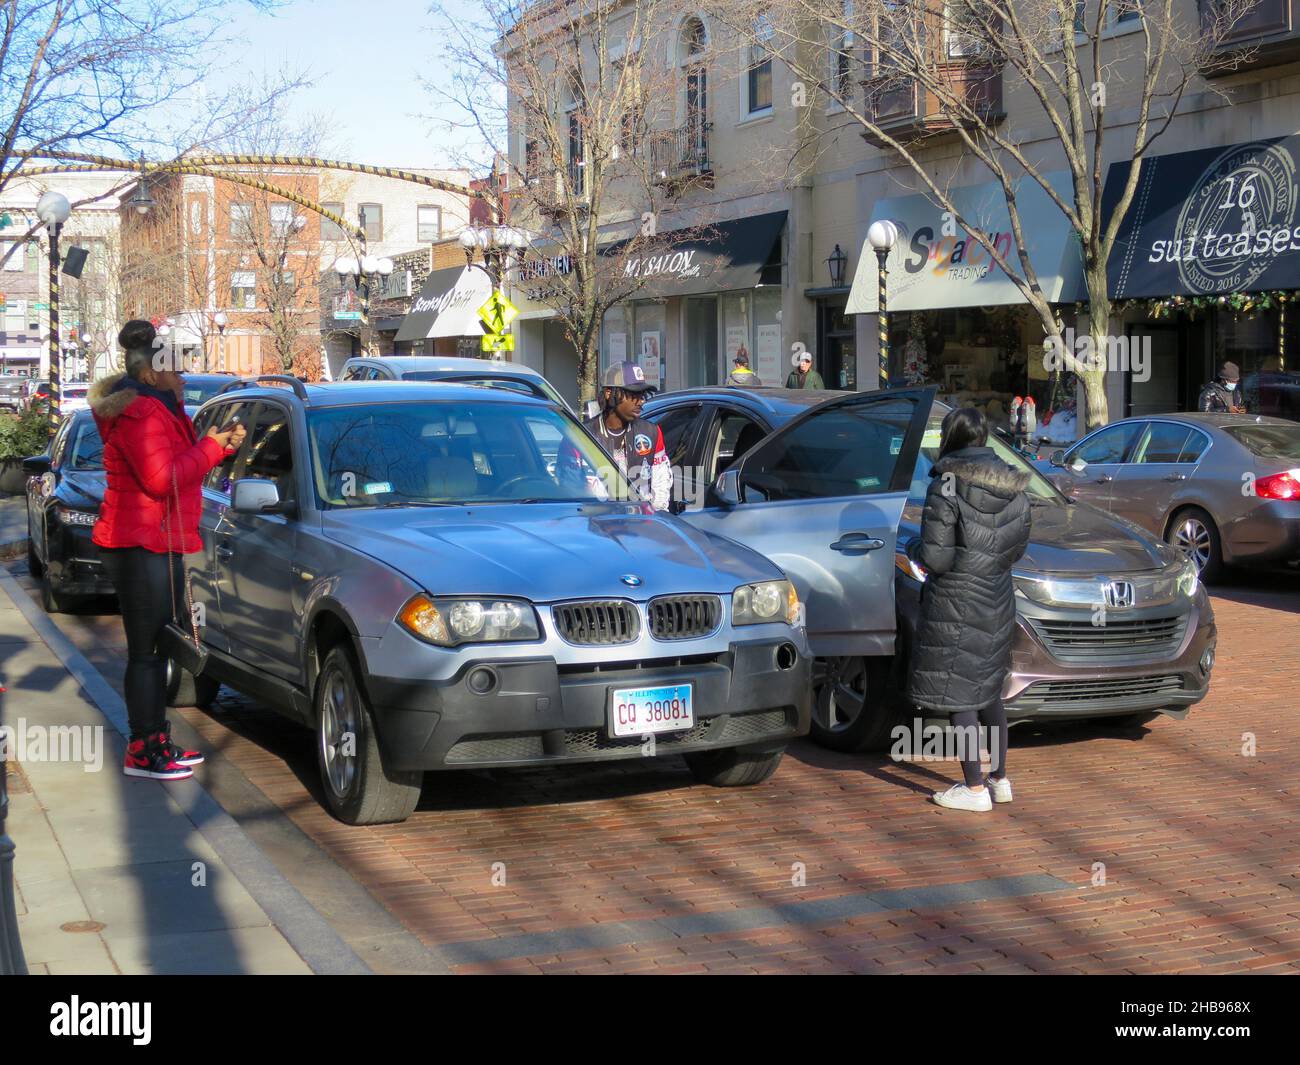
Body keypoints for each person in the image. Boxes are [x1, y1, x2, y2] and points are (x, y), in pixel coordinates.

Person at [90, 320, 246, 781]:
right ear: (151, 373)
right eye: (176, 370)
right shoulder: (142, 413)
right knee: (146, 653)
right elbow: (162, 479)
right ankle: (143, 750)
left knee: (155, 649)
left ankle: (156, 740)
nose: (184, 377)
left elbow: (177, 465)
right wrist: (211, 450)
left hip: (153, 540)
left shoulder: (158, 406)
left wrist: (215, 447)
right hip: (138, 543)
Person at [907, 407, 1031, 812]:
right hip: (997, 595)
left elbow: (936, 559)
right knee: (990, 689)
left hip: (956, 600)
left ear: (951, 438)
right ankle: (1000, 778)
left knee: (960, 692)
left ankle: (974, 789)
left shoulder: (946, 484)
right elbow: (1017, 547)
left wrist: (913, 549)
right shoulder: (1013, 484)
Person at [584, 361, 671, 511]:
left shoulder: (652, 432)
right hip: (598, 525)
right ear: (609, 393)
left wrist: (656, 517)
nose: (640, 400)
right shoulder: (582, 435)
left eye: (642, 394)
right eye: (633, 394)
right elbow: (570, 485)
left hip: (641, 525)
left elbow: (661, 482)